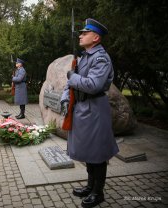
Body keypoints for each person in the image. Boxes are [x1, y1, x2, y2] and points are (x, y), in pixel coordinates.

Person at [60, 18, 119, 208]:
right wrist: (65, 98)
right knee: (88, 151)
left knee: (97, 153)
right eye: (81, 32)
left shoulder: (100, 58)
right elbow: (70, 84)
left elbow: (94, 85)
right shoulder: (85, 56)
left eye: (84, 33)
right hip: (82, 108)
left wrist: (73, 76)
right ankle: (90, 186)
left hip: (94, 108)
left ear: (95, 37)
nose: (80, 35)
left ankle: (98, 192)